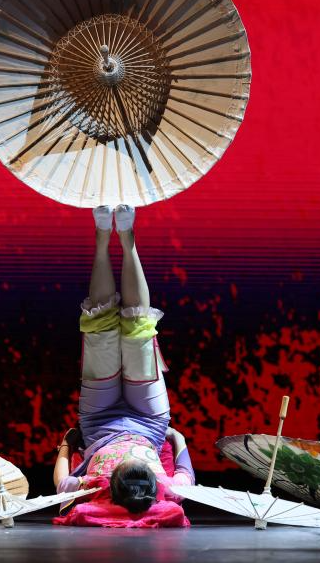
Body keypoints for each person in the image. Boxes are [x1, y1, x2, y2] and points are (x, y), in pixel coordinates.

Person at [53, 205, 195, 514]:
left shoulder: (95, 484)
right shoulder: (169, 489)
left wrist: (66, 443)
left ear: (116, 486)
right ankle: (127, 239)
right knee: (138, 332)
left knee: (100, 331)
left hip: (99, 420)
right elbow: (185, 468)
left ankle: (103, 237)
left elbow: (62, 485)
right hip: (149, 420)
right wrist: (178, 438)